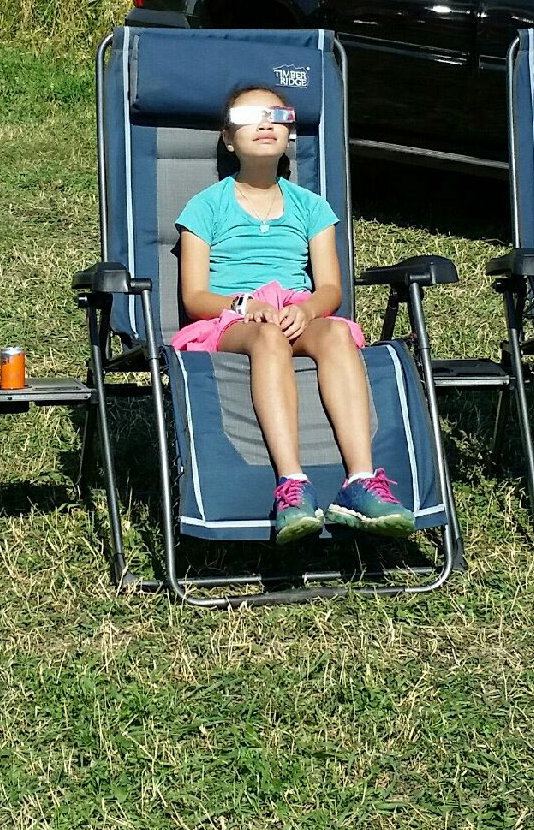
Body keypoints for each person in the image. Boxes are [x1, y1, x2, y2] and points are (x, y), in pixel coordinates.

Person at [170, 85, 411, 542]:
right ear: (227, 137)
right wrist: (245, 305)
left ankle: (360, 480)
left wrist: (307, 308)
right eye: (248, 117)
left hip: (295, 311)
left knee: (337, 336)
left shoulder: (311, 208)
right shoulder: (206, 207)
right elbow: (195, 296)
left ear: (290, 133)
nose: (264, 124)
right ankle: (292, 485)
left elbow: (331, 289)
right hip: (231, 318)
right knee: (267, 337)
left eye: (276, 115)